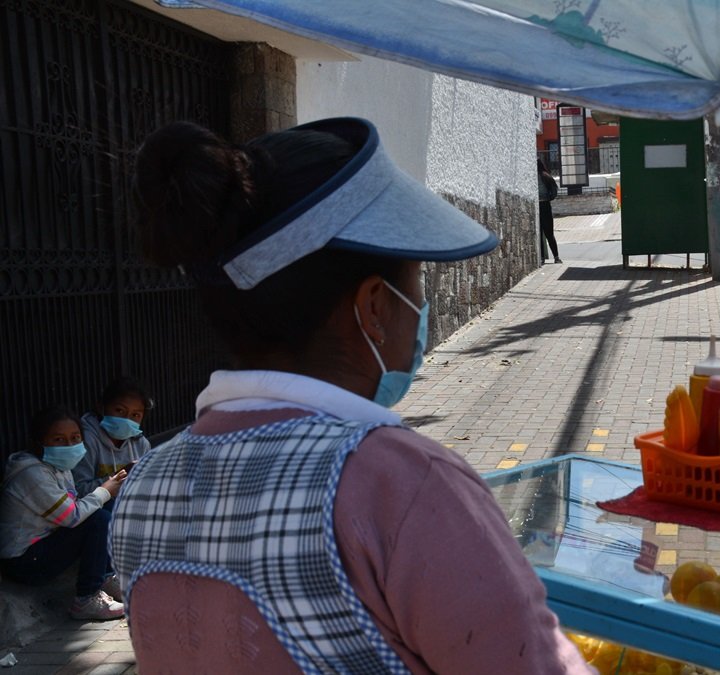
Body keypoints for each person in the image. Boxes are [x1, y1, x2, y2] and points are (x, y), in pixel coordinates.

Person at [110, 117, 591, 673]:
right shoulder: (403, 482)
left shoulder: (147, 484)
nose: (421, 306)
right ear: (373, 309)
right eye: (416, 285)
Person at [0, 405, 127, 620]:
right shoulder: (32, 475)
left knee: (106, 507)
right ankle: (86, 598)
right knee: (99, 517)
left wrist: (109, 488)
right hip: (24, 561)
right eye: (59, 440)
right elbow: (72, 516)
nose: (69, 445)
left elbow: (76, 503)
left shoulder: (57, 466)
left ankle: (107, 576)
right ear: (40, 442)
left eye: (75, 438)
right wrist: (105, 491)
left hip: (47, 542)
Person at [73, 376, 153, 502]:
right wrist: (117, 478)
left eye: (135, 415)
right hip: (95, 508)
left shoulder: (141, 444)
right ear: (101, 407)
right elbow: (78, 492)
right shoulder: (86, 441)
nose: (127, 419)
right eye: (119, 410)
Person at [537, 158, 562, 263]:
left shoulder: (533, 177)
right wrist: (548, 198)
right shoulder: (547, 176)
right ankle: (556, 257)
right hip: (546, 205)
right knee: (549, 234)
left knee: (539, 233)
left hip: (537, 205)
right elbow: (554, 192)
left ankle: (542, 258)